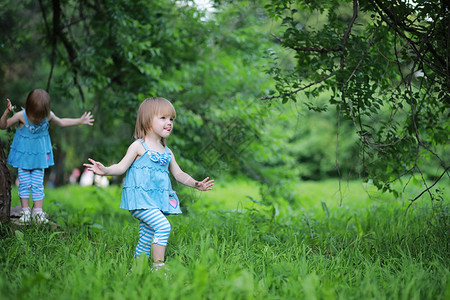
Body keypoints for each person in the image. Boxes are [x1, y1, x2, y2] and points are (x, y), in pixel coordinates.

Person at [83, 97, 214, 271]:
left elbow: (179, 174)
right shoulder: (139, 146)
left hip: (156, 201)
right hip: (140, 200)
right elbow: (121, 167)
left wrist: (195, 184)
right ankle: (158, 267)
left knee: (147, 236)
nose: (169, 123)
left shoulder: (167, 152)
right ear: (147, 120)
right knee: (163, 226)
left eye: (171, 119)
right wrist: (105, 170)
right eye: (163, 118)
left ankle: (136, 271)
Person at [0, 89, 94, 223]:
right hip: (24, 159)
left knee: (38, 184)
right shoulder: (21, 116)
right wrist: (6, 113)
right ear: (29, 108)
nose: (38, 120)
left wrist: (79, 121)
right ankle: (25, 212)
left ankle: (38, 212)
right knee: (25, 184)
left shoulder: (48, 116)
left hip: (39, 159)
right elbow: (3, 126)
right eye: (36, 116)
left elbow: (61, 122)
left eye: (41, 116)